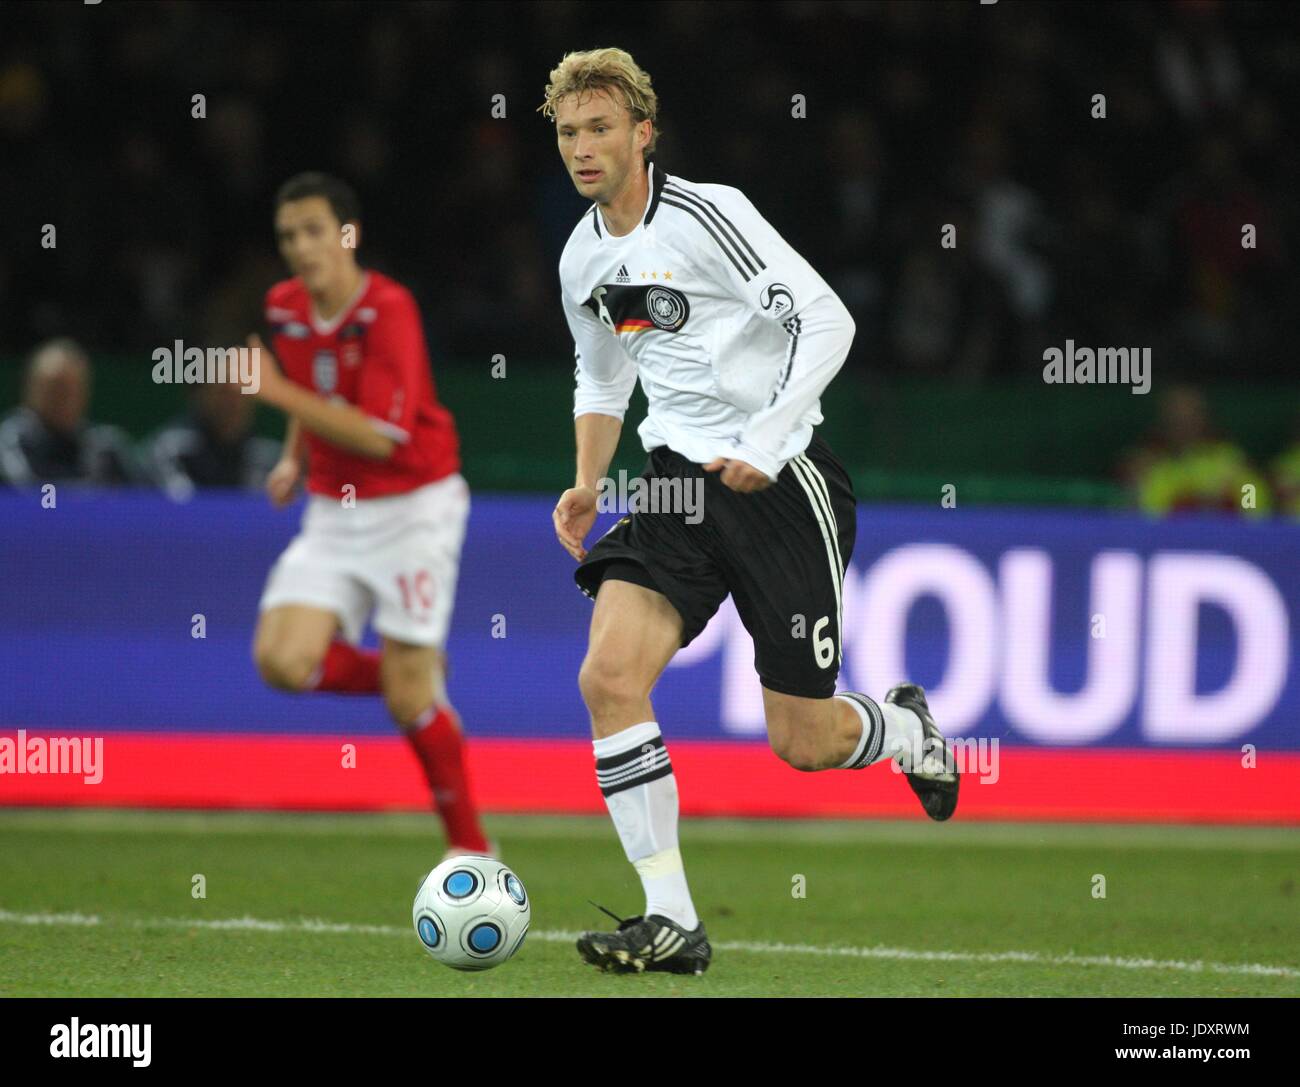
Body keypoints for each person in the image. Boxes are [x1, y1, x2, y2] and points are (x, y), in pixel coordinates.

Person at [541, 48, 960, 977]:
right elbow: (604, 369)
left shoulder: (708, 215)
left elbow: (830, 320)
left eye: (600, 127)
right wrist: (587, 477)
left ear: (644, 134)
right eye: (569, 131)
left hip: (782, 483)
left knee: (800, 742)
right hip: (676, 486)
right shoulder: (581, 255)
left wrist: (767, 444)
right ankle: (673, 920)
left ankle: (906, 732)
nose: (583, 146)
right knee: (609, 678)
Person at [243, 172, 491, 861]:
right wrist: (295, 455)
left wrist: (277, 395)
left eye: (314, 230)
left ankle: (471, 847)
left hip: (415, 507)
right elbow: (315, 388)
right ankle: (405, 668)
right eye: (288, 235)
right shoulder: (285, 306)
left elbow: (383, 435)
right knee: (281, 660)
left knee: (412, 702)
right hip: (333, 510)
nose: (300, 246)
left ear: (347, 235)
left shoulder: (389, 309)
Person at [0, 338, 138, 488]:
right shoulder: (12, 440)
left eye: (70, 390)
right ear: (32, 390)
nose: (62, 399)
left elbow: (145, 497)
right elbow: (28, 493)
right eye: (54, 390)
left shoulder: (104, 448)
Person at [147, 379, 281, 500]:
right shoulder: (171, 450)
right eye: (224, 392)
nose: (235, 402)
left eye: (242, 392)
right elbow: (182, 511)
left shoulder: (271, 459)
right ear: (200, 395)